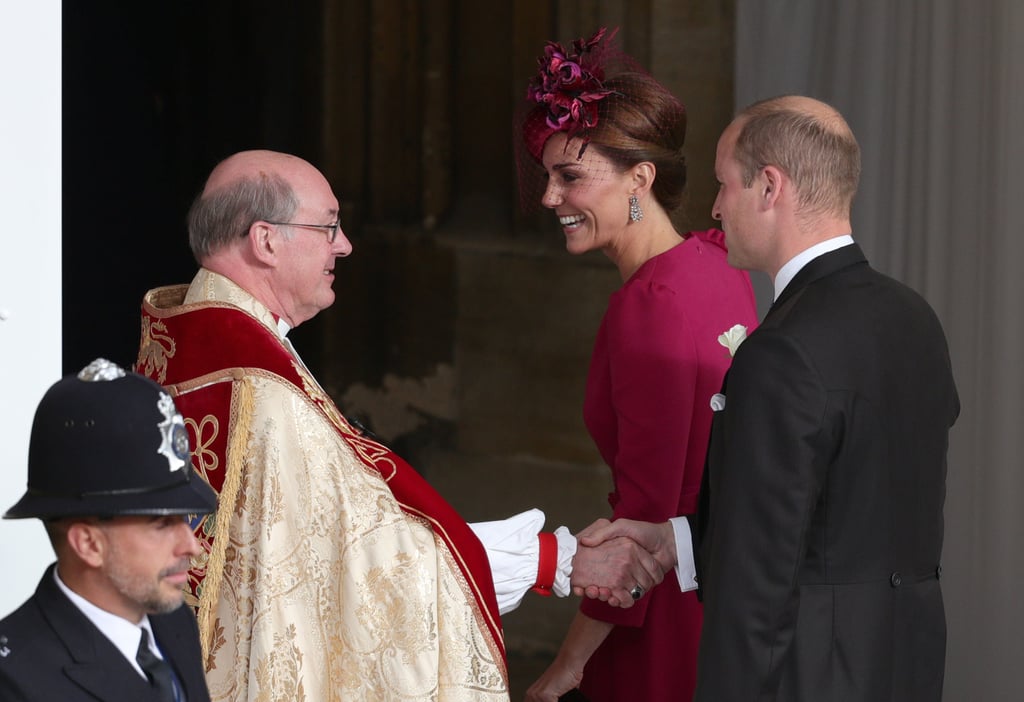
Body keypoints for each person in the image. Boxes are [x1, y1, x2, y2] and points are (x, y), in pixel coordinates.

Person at [135, 148, 665, 701]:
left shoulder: (183, 343)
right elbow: (368, 579)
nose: (344, 244)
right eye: (328, 227)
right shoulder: (264, 396)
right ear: (265, 241)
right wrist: (553, 559)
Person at [580, 95, 960, 701]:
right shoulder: (915, 318)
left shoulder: (782, 350)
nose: (714, 207)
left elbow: (755, 586)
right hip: (904, 668)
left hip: (809, 678)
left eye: (723, 185)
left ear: (769, 187)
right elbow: (841, 521)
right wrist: (675, 541)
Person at [516, 28, 759, 702]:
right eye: (547, 176)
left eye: (570, 176)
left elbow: (642, 522)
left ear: (640, 178)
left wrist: (568, 664)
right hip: (724, 595)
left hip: (660, 619)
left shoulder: (647, 306)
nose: (548, 198)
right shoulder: (717, 262)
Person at [0, 358, 217, 702]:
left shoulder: (173, 624)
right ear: (88, 544)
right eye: (161, 524)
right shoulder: (14, 682)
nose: (190, 545)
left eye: (184, 519)